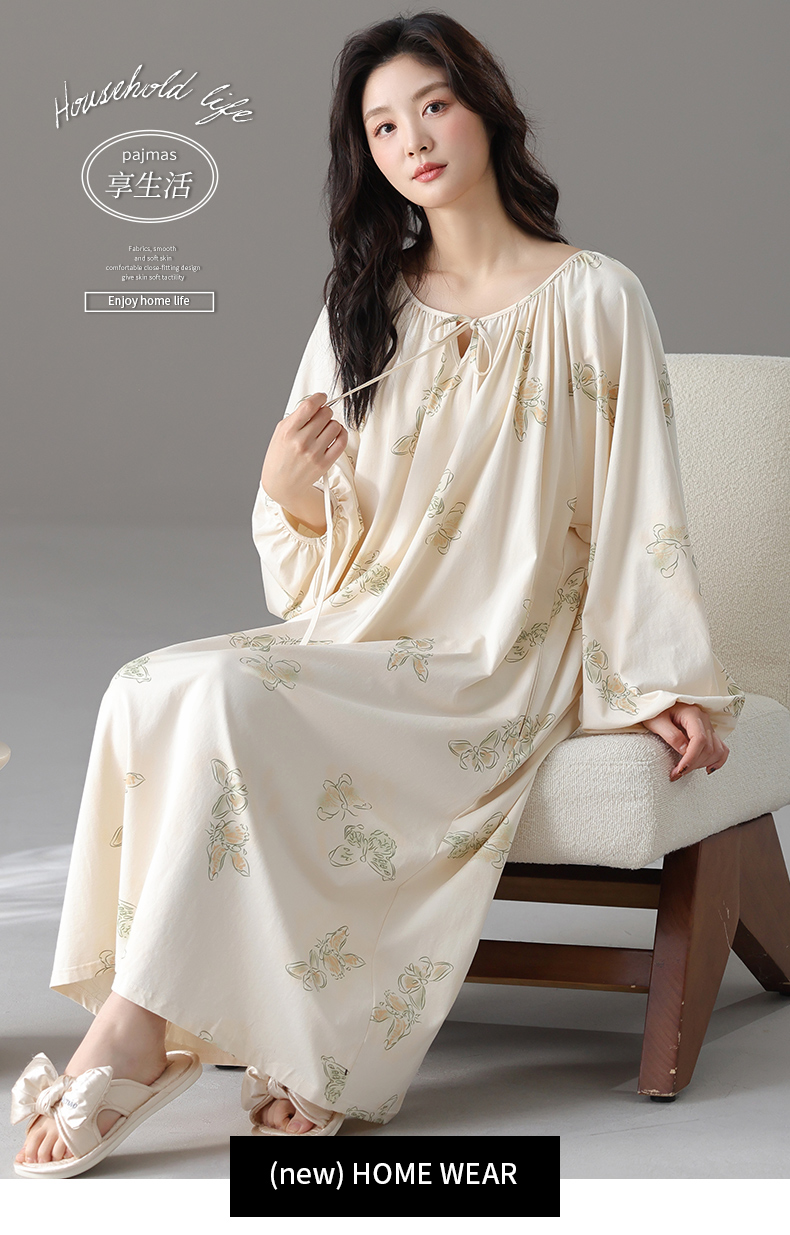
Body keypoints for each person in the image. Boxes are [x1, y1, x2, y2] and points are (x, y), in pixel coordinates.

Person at [13, 12, 744, 1173]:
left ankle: (138, 1034)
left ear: (486, 110)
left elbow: (635, 504)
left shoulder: (597, 296)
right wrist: (286, 491)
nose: (413, 140)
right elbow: (312, 563)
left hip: (494, 653)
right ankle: (215, 1025)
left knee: (230, 697)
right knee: (149, 682)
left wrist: (654, 678)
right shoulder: (366, 303)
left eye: (433, 107)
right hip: (365, 627)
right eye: (383, 125)